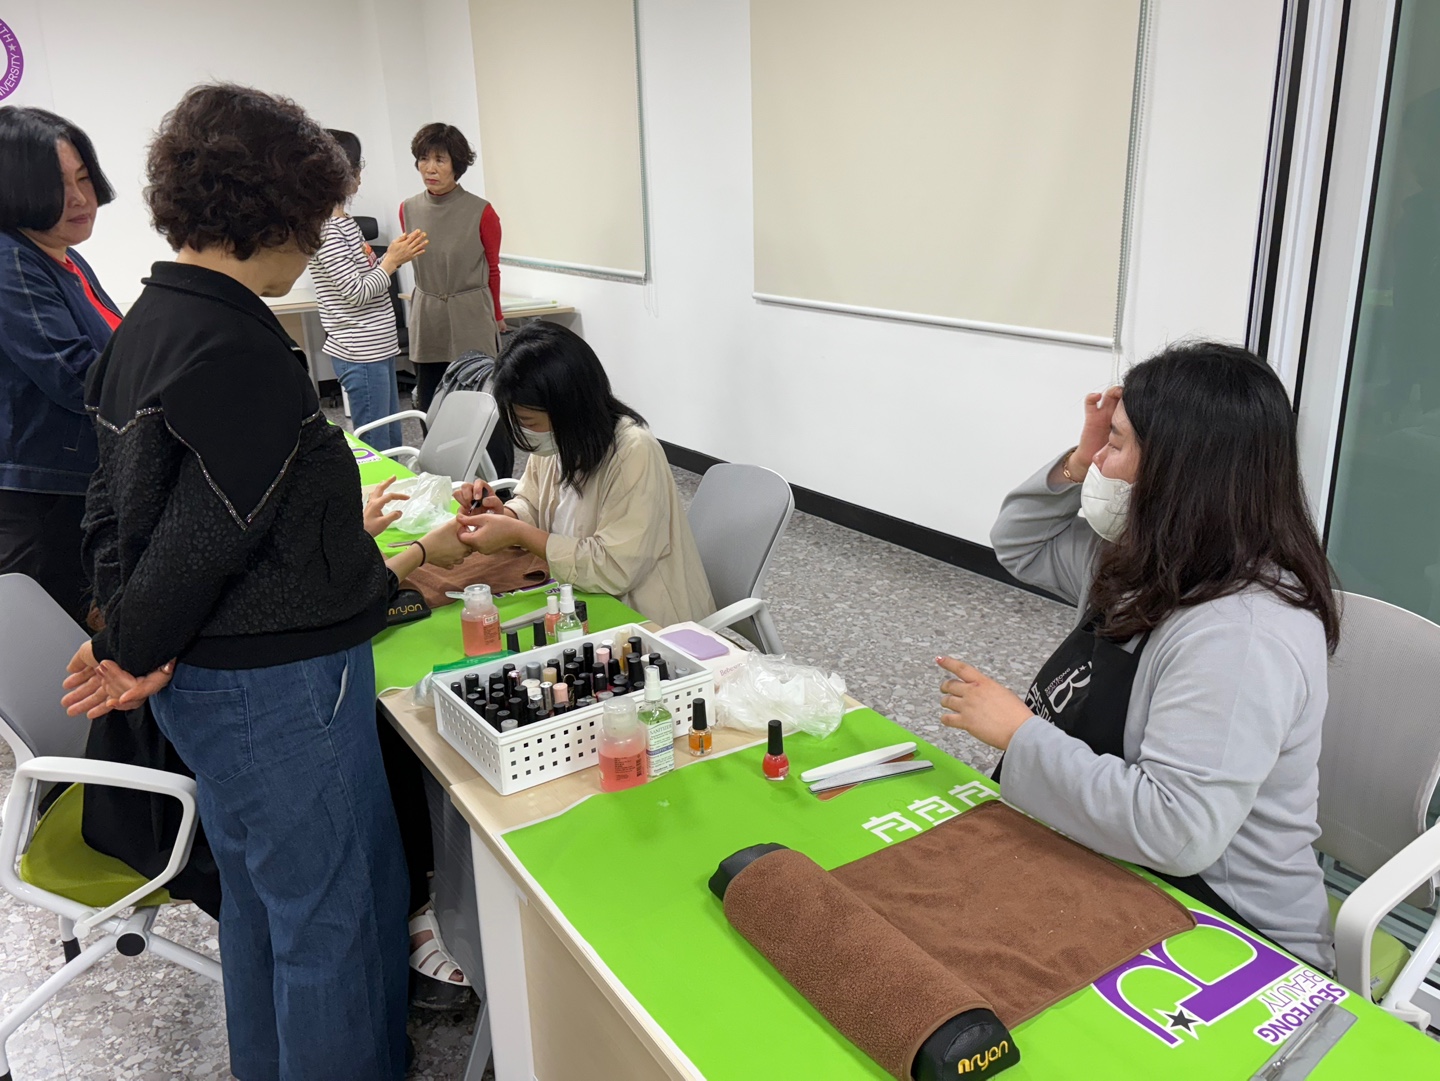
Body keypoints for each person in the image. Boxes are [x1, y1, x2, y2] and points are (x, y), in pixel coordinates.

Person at [58, 84, 472, 1081]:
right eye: (318, 212)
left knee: (260, 899)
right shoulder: (237, 347)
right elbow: (199, 541)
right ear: (276, 209)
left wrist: (126, 634)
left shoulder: (150, 322)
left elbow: (112, 509)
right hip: (276, 686)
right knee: (335, 917)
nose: (323, 234)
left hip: (217, 679)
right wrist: (129, 644)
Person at [937, 343, 1338, 972]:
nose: (1098, 459)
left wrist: (1020, 733)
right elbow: (1019, 544)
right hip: (1111, 858)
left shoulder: (1242, 634)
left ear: (1179, 471)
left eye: (1116, 444)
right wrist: (1075, 462)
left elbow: (1176, 831)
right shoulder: (1144, 560)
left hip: (1228, 924)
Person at [455, 321, 716, 627]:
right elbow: (532, 502)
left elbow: (613, 567)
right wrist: (504, 515)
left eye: (530, 421)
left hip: (644, 615)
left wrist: (517, 533)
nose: (527, 432)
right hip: (576, 595)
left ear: (569, 409)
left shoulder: (633, 451)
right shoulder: (558, 443)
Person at [0, 107, 121, 622]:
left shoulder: (64, 255)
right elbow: (74, 374)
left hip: (77, 482)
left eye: (84, 178)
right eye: (57, 184)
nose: (79, 198)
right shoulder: (10, 260)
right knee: (45, 635)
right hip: (39, 493)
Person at [310, 129, 428, 451]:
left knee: (391, 439)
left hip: (377, 347)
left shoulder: (346, 223)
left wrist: (394, 257)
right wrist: (391, 260)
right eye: (356, 165)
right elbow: (357, 292)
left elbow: (369, 276)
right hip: (360, 352)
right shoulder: (327, 231)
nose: (360, 173)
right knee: (377, 446)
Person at [399, 122, 505, 411]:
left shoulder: (482, 211)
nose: (430, 168)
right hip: (428, 315)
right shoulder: (408, 208)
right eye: (424, 159)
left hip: (471, 315)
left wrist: (497, 315)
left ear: (456, 165)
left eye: (440, 160)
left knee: (478, 405)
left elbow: (493, 269)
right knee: (430, 404)